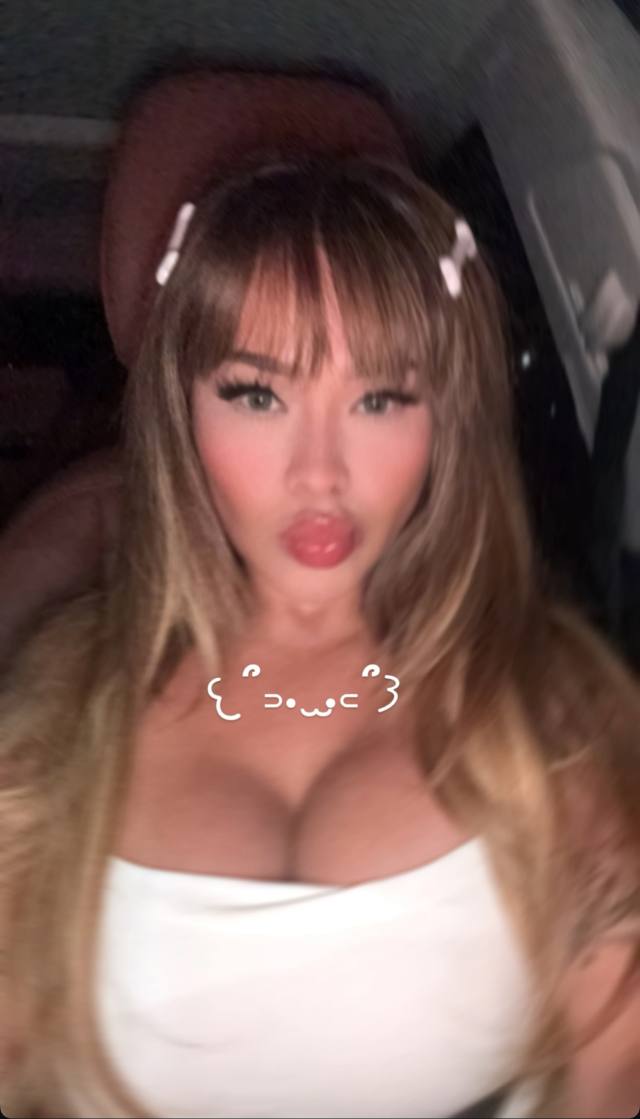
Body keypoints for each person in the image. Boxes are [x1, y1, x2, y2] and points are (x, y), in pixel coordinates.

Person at [1, 155, 639, 1119]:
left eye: (380, 399)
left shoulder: (552, 708)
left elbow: (615, 1058)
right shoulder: (58, 706)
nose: (320, 474)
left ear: (447, 422)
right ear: (183, 407)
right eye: (257, 395)